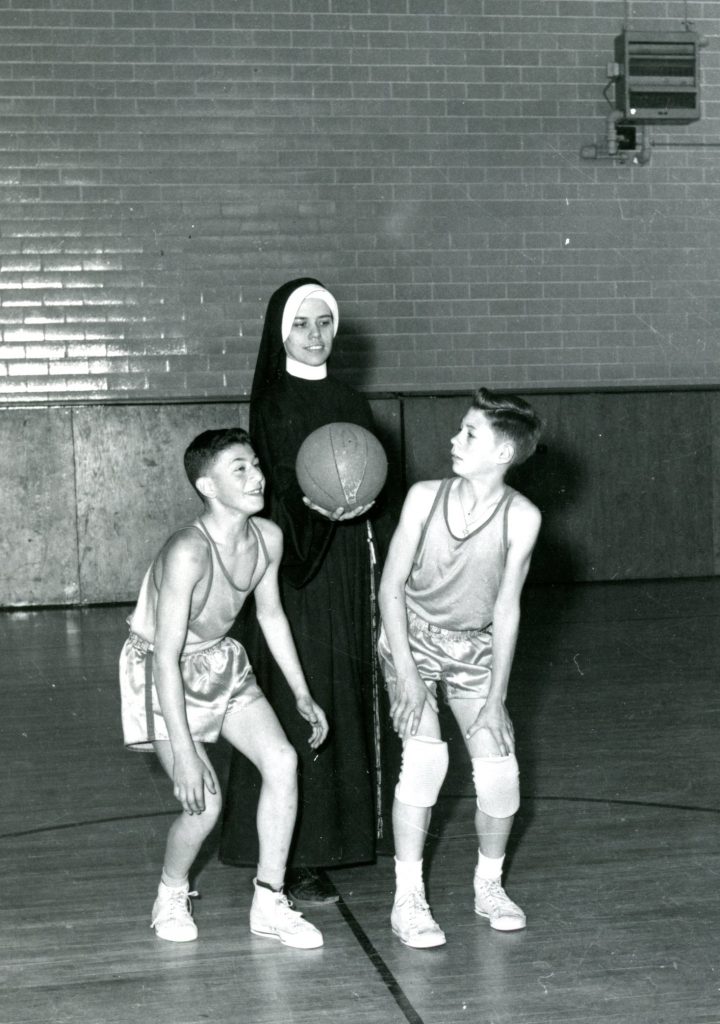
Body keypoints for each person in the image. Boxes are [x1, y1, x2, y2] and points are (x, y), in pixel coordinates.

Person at [219, 278, 395, 904]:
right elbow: (276, 493)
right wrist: (324, 505)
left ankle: (342, 840)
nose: (315, 336)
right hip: (298, 561)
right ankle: (293, 857)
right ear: (281, 333)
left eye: (325, 324)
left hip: (347, 560)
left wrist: (364, 507)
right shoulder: (272, 401)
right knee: (304, 691)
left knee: (344, 689)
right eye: (302, 325)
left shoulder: (352, 397)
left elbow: (375, 479)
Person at [119, 427, 329, 948]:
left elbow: (272, 614)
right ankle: (171, 891)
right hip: (158, 670)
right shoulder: (188, 551)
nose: (257, 476)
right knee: (204, 805)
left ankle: (269, 900)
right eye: (240, 468)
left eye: (256, 464)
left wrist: (302, 693)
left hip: (218, 661)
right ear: (207, 486)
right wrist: (186, 755)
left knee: (282, 761)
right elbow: (165, 658)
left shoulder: (268, 539)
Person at [377, 387, 542, 948]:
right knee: (425, 759)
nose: (454, 438)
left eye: (469, 432)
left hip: (474, 649)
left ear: (503, 453)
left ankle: (488, 886)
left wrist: (496, 700)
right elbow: (390, 586)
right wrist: (405, 677)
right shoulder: (425, 497)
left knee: (500, 775)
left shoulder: (523, 517)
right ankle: (408, 897)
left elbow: (507, 609)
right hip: (411, 638)